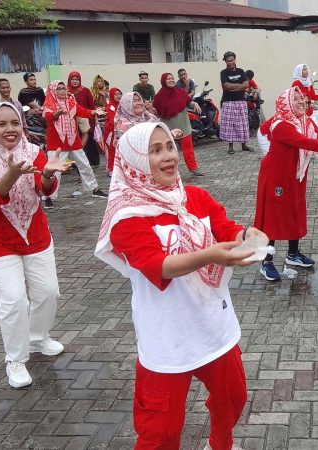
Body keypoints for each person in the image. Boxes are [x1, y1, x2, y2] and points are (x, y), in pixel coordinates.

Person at [95, 121, 263, 449]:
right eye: (154, 150)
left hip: (213, 327)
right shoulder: (126, 218)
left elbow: (226, 228)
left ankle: (220, 444)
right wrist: (210, 254)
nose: (168, 156)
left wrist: (248, 237)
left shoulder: (194, 197)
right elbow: (158, 266)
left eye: (169, 146)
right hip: (167, 340)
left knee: (233, 399)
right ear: (134, 162)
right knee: (159, 431)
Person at [0, 102, 71, 388]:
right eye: (2, 124)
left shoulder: (33, 151)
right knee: (13, 299)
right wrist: (12, 172)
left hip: (34, 234)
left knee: (48, 292)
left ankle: (37, 339)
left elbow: (44, 190)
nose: (10, 129)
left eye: (15, 123)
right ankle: (15, 359)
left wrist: (47, 174)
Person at [254, 87, 318, 281]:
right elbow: (306, 143)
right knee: (272, 218)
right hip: (275, 177)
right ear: (285, 103)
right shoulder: (281, 125)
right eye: (295, 99)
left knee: (295, 210)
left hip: (295, 175)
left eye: (302, 98)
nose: (302, 101)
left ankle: (293, 255)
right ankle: (266, 262)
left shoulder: (306, 121)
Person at [41, 80, 107, 209]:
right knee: (55, 171)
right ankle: (48, 197)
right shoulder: (49, 102)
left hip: (73, 141)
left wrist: (94, 112)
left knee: (85, 165)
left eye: (63, 88)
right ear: (53, 91)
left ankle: (94, 189)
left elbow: (81, 111)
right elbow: (49, 117)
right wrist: (57, 113)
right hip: (57, 144)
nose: (62, 91)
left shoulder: (71, 101)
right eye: (59, 89)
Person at [153, 72, 204, 176]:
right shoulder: (159, 97)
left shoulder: (180, 92)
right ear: (163, 81)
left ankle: (193, 168)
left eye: (172, 78)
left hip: (183, 125)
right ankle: (168, 169)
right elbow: (157, 111)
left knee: (188, 148)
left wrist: (195, 103)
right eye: (168, 79)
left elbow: (188, 102)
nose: (171, 80)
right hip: (168, 128)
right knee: (168, 151)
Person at [220, 51, 253, 155]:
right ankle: (230, 146)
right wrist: (240, 86)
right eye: (228, 61)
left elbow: (246, 84)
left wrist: (234, 87)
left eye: (232, 60)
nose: (230, 62)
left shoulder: (241, 71)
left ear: (235, 59)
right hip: (228, 101)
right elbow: (226, 86)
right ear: (225, 61)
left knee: (243, 123)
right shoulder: (223, 73)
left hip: (241, 101)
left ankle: (244, 145)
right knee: (230, 125)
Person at [67, 72, 95, 149]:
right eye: (73, 79)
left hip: (85, 118)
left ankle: (90, 160)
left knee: (88, 142)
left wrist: (92, 119)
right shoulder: (65, 91)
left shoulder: (85, 90)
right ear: (69, 80)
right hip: (70, 120)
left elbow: (91, 106)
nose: (75, 81)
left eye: (77, 79)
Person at [103, 87, 121, 177]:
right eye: (116, 94)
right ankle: (111, 169)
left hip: (117, 131)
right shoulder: (111, 106)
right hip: (111, 132)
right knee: (111, 150)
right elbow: (112, 120)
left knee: (117, 150)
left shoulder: (120, 105)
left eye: (119, 94)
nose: (118, 96)